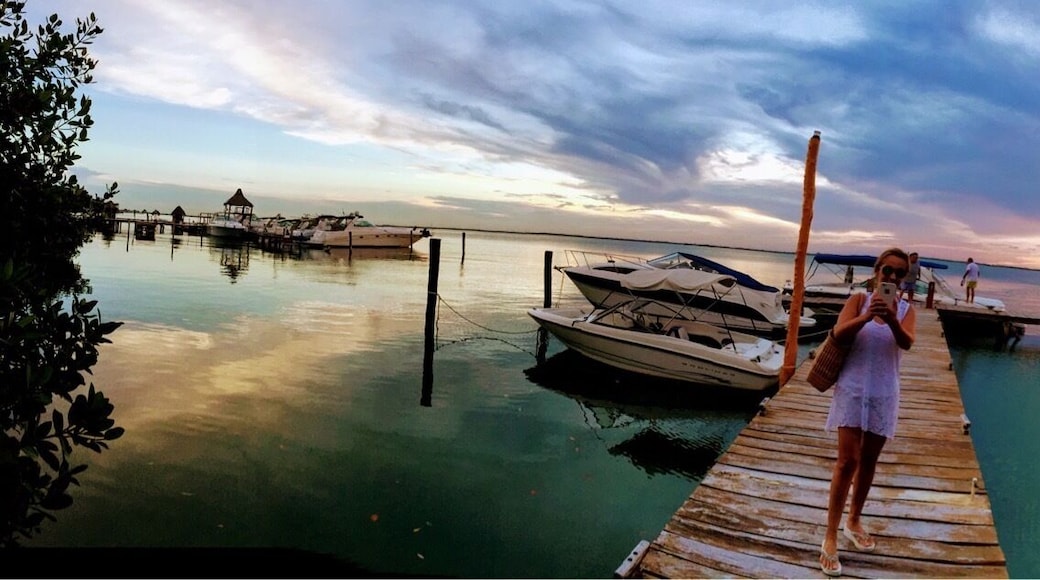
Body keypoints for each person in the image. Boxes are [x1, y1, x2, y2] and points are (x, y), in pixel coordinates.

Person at [819, 248, 916, 577]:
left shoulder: (906, 310)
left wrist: (892, 319)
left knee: (869, 461)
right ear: (877, 271)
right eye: (887, 270)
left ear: (903, 278)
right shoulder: (858, 300)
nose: (892, 277)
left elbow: (907, 343)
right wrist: (866, 317)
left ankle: (854, 520)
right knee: (847, 462)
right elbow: (838, 333)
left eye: (899, 273)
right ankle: (830, 534)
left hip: (884, 393)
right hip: (853, 389)